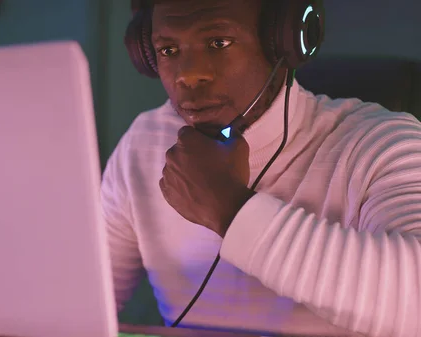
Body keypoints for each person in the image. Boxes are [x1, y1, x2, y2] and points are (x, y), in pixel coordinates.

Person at [100, 0, 421, 336]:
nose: (188, 74)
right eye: (168, 50)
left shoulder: (381, 143)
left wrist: (232, 210)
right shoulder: (144, 143)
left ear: (285, 40)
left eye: (218, 43)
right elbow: (76, 299)